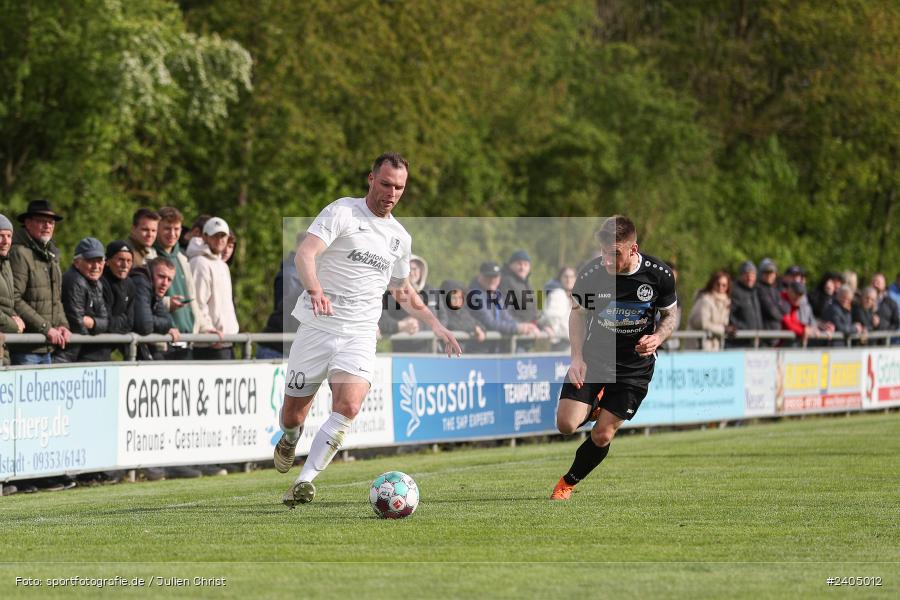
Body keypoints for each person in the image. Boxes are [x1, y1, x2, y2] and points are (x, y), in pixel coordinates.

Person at [274, 152, 461, 507]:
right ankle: (289, 437)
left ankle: (304, 481)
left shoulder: (399, 238)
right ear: (371, 179)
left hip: (360, 332)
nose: (392, 193)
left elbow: (402, 289)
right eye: (387, 184)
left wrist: (436, 324)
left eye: (400, 187)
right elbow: (305, 254)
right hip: (317, 326)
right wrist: (315, 290)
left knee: (349, 405)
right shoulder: (342, 212)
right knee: (292, 414)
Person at [550, 215, 677, 500]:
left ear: (634, 249)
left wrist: (657, 337)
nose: (607, 260)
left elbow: (670, 315)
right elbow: (578, 314)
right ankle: (596, 401)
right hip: (595, 358)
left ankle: (567, 482)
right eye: (604, 253)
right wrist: (576, 357)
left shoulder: (659, 275)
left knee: (602, 434)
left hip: (635, 367)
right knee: (567, 425)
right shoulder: (591, 273)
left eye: (615, 254)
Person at [9, 200, 71, 365]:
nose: (47, 226)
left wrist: (63, 325)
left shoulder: (51, 255)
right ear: (27, 223)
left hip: (47, 347)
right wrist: (45, 327)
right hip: (26, 349)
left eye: (51, 222)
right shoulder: (19, 253)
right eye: (41, 221)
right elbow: (14, 298)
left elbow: (56, 299)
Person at [154, 206, 219, 358]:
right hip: (164, 343)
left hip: (188, 342)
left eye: (176, 229)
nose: (172, 233)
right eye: (167, 228)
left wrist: (204, 327)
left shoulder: (183, 259)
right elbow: (145, 300)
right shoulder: (150, 257)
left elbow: (193, 300)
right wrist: (167, 303)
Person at [186, 217, 238, 360]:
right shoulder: (199, 263)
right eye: (215, 235)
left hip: (227, 341)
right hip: (211, 344)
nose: (220, 239)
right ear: (205, 237)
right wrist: (207, 333)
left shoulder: (222, 265)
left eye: (223, 236)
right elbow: (197, 301)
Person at [468, 261, 541, 352]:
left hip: (495, 350)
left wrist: (524, 326)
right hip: (479, 352)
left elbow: (506, 317)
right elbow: (490, 323)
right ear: (480, 276)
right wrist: (517, 328)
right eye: (488, 276)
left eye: (495, 276)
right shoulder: (474, 296)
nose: (492, 280)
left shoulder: (496, 294)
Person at [59, 237, 111, 362]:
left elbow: (106, 321)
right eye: (90, 261)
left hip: (79, 353)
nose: (96, 266)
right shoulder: (74, 280)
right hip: (66, 355)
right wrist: (94, 326)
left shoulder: (97, 283)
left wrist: (92, 322)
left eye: (99, 261)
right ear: (77, 262)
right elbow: (77, 323)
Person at [258, 233, 305, 359]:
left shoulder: (297, 274)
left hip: (286, 348)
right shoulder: (291, 276)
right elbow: (288, 317)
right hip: (278, 350)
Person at [131, 257, 181, 360]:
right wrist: (165, 327)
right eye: (161, 276)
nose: (165, 283)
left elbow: (167, 321)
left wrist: (165, 327)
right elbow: (144, 325)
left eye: (169, 279)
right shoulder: (141, 281)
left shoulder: (155, 290)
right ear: (151, 272)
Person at [101, 240, 136, 356]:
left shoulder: (130, 284)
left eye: (129, 261)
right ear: (107, 261)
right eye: (120, 260)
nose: (125, 265)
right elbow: (105, 323)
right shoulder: (100, 282)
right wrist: (122, 320)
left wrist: (116, 321)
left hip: (116, 344)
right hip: (96, 345)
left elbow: (130, 322)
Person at [0, 214, 26, 366]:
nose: (5, 241)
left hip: (4, 347)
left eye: (9, 236)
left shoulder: (6, 263)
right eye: (1, 236)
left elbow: (6, 303)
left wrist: (15, 316)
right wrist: (13, 325)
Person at [436, 279, 486, 352]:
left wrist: (482, 330)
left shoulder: (463, 312)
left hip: (464, 356)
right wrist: (473, 328)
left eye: (460, 297)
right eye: (453, 298)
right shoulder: (442, 312)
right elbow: (451, 325)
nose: (457, 301)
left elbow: (478, 324)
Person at [687, 271, 731, 351]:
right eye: (718, 284)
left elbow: (724, 323)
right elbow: (705, 324)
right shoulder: (705, 299)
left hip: (715, 344)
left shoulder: (727, 302)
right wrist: (724, 329)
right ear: (713, 284)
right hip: (699, 345)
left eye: (724, 285)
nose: (721, 287)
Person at [539, 266, 577, 350]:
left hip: (576, 343)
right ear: (560, 278)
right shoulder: (556, 295)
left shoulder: (578, 296)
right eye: (565, 276)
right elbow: (549, 317)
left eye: (571, 277)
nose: (568, 280)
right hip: (561, 342)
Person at [728, 260, 763, 347]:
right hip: (738, 342)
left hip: (754, 341)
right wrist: (744, 329)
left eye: (752, 275)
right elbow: (730, 315)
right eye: (746, 274)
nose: (750, 278)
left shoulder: (755, 291)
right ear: (740, 275)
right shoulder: (734, 291)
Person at [756, 258, 785, 336]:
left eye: (772, 272)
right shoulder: (758, 289)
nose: (769, 275)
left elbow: (785, 307)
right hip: (765, 333)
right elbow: (771, 310)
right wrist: (785, 319)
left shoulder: (777, 289)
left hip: (777, 332)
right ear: (761, 273)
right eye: (766, 272)